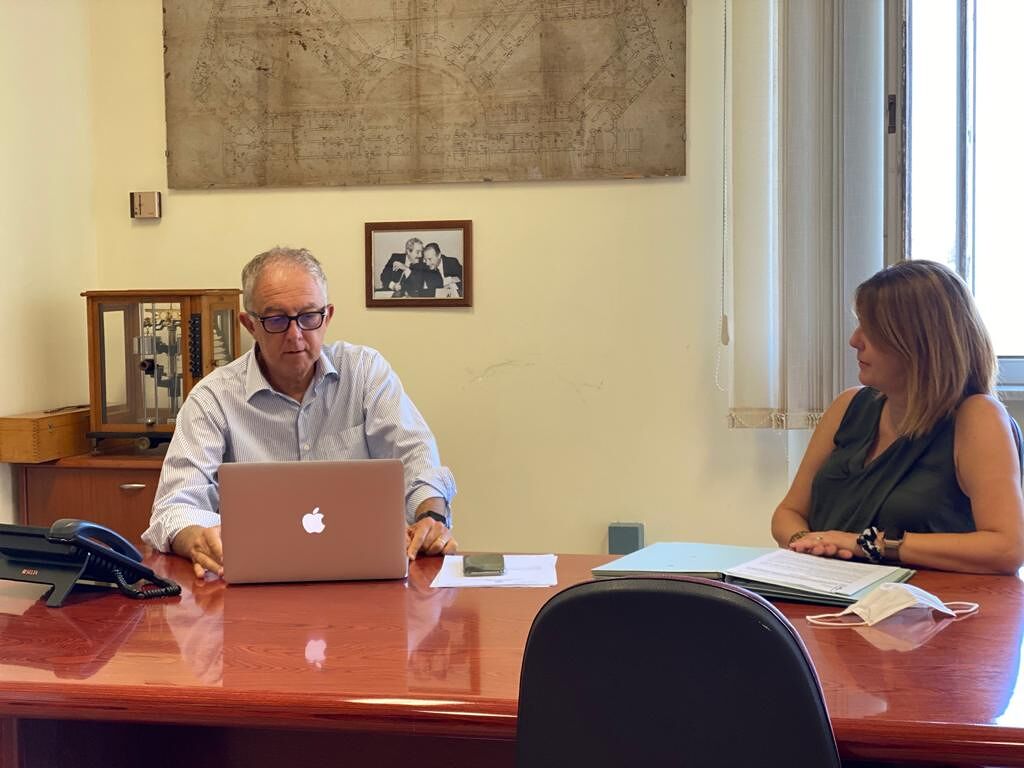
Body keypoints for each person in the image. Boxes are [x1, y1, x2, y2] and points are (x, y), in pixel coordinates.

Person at [143, 247, 458, 578]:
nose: (295, 335)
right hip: (254, 585)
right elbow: (173, 506)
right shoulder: (213, 399)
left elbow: (416, 459)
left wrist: (432, 516)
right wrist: (197, 538)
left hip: (365, 576)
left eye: (309, 317)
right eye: (277, 320)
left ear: (328, 316)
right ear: (250, 324)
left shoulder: (365, 373)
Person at [771, 260, 1024, 575]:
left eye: (871, 330)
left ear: (920, 341)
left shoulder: (978, 417)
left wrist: (869, 544)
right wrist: (808, 542)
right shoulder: (847, 406)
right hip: (829, 595)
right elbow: (788, 511)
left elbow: (1006, 547)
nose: (854, 340)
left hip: (927, 611)